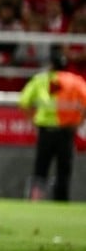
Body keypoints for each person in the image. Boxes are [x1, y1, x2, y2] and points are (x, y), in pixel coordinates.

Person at [18, 51, 86, 202]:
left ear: (50, 65)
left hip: (45, 131)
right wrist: (79, 122)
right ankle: (61, 201)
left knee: (41, 168)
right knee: (64, 169)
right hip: (66, 131)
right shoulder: (75, 81)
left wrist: (33, 120)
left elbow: (24, 101)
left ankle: (36, 200)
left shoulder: (40, 80)